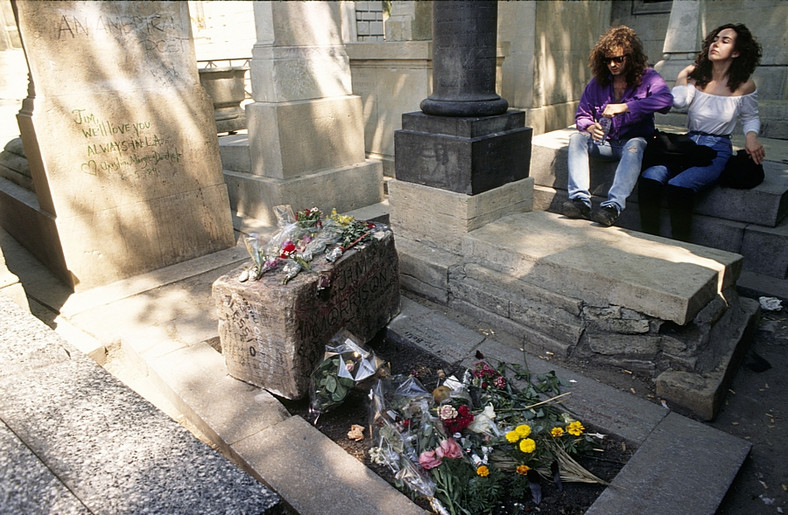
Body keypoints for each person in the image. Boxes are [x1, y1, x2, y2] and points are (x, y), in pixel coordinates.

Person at [639, 23, 764, 241]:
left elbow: (750, 116)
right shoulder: (698, 79)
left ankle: (680, 245)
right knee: (650, 178)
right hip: (687, 145)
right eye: (715, 39)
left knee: (679, 186)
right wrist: (683, 75)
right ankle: (648, 240)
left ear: (736, 52)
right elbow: (677, 102)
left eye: (725, 40)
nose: (716, 43)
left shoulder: (744, 85)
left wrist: (751, 137)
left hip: (716, 148)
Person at [564, 26, 673, 227]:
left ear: (630, 57)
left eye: (618, 59)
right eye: (607, 60)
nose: (612, 64)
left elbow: (666, 101)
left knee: (636, 144)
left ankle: (612, 206)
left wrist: (625, 107)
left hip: (630, 143)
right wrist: (589, 127)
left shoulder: (648, 77)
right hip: (604, 143)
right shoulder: (598, 82)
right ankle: (580, 201)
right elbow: (582, 115)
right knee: (576, 138)